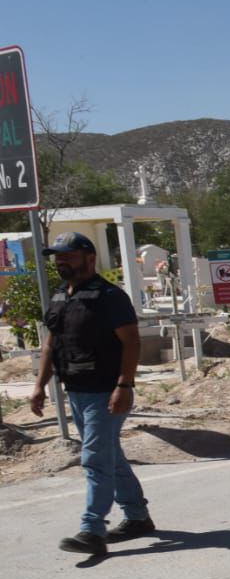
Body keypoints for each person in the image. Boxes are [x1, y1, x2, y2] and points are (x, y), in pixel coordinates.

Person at [28, 233, 155, 556]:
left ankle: (92, 529)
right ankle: (138, 517)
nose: (60, 261)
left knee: (95, 459)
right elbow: (50, 344)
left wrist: (124, 385)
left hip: (107, 391)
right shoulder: (60, 296)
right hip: (77, 390)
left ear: (89, 257)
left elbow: (131, 343)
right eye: (57, 256)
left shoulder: (109, 296)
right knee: (109, 456)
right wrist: (40, 385)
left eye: (67, 255)